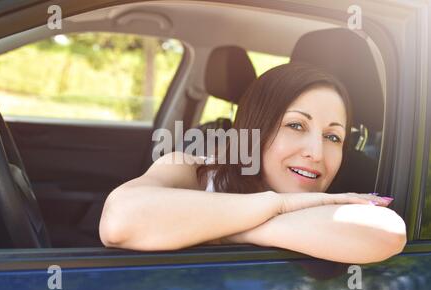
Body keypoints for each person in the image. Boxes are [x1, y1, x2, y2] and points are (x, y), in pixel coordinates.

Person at [99, 63, 406, 264]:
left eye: (333, 137)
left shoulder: (332, 200)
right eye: (296, 126)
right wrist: (278, 206)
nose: (316, 152)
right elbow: (118, 221)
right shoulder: (190, 169)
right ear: (256, 128)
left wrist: (229, 231)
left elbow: (389, 232)